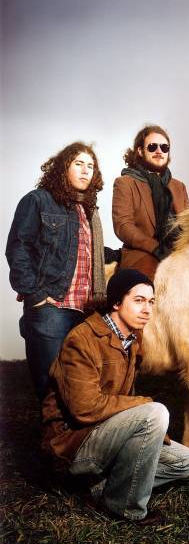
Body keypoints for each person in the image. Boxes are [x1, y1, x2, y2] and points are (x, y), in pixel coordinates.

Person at [41, 269, 189, 525]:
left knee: (185, 461)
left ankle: (103, 489)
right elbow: (84, 408)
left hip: (105, 435)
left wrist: (151, 429)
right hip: (70, 445)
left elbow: (123, 403)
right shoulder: (82, 339)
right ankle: (126, 508)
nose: (147, 309)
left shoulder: (131, 340)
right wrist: (145, 408)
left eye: (151, 302)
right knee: (155, 411)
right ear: (116, 303)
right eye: (138, 300)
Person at [5, 142, 106, 401]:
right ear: (63, 167)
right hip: (52, 307)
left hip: (85, 310)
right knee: (51, 388)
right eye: (79, 164)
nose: (86, 171)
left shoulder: (88, 211)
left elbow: (86, 251)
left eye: (91, 166)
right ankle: (52, 442)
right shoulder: (38, 200)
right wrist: (34, 293)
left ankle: (75, 441)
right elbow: (18, 247)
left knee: (79, 387)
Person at [112, 124, 189, 280]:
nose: (159, 151)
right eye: (152, 147)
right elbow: (123, 226)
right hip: (142, 254)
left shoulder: (178, 186)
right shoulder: (126, 182)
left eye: (164, 147)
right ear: (140, 151)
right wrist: (155, 248)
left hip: (179, 254)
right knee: (150, 279)